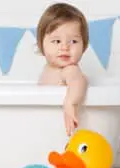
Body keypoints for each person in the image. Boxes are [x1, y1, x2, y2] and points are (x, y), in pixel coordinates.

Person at [37, 2, 89, 136]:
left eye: (73, 41)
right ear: (41, 44)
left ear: (84, 45)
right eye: (56, 41)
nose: (64, 47)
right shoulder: (49, 69)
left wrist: (70, 102)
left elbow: (77, 81)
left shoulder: (69, 70)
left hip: (60, 131)